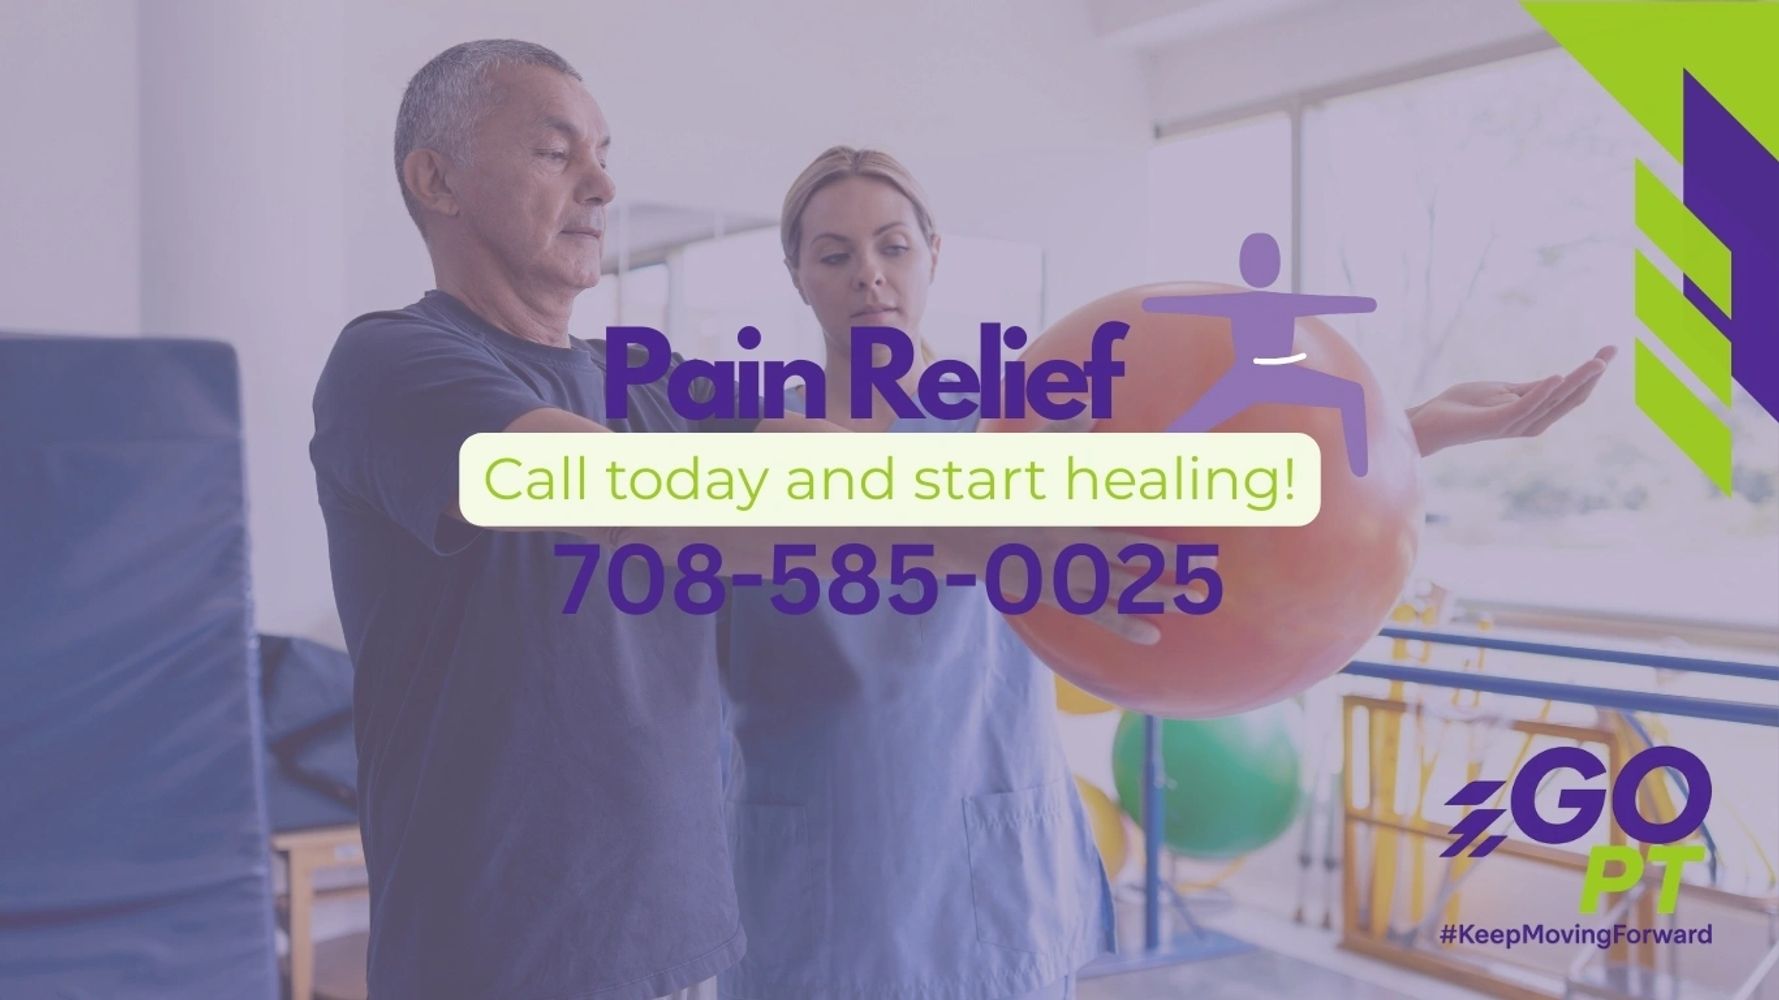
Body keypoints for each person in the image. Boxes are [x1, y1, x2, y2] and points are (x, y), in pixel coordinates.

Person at [309, 43, 1156, 1000]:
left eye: (602, 152)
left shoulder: (650, 382)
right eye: (556, 154)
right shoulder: (391, 365)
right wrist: (983, 529)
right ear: (438, 181)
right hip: (497, 952)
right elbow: (599, 494)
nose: (601, 183)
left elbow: (815, 456)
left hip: (675, 945)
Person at [714, 146, 1616, 1000]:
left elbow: (1202, 491)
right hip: (816, 875)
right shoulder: (753, 453)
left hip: (981, 872)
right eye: (833, 254)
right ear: (797, 274)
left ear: (933, 256)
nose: (867, 272)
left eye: (892, 245)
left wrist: (1414, 430)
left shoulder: (1016, 423)